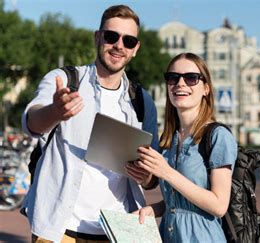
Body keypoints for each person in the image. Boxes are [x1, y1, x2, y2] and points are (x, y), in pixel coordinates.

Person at [21, 5, 159, 242]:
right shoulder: (66, 80)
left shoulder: (142, 100)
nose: (119, 45)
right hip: (58, 227)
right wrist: (55, 111)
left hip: (115, 231)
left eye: (128, 41)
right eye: (111, 36)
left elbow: (152, 177)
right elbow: (31, 123)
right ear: (98, 37)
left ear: (135, 49)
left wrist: (146, 176)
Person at [128, 53, 238, 242]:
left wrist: (167, 172)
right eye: (173, 77)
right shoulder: (169, 139)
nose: (180, 83)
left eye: (191, 78)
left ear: (206, 89)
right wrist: (152, 210)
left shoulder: (218, 136)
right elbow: (178, 201)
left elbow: (219, 205)